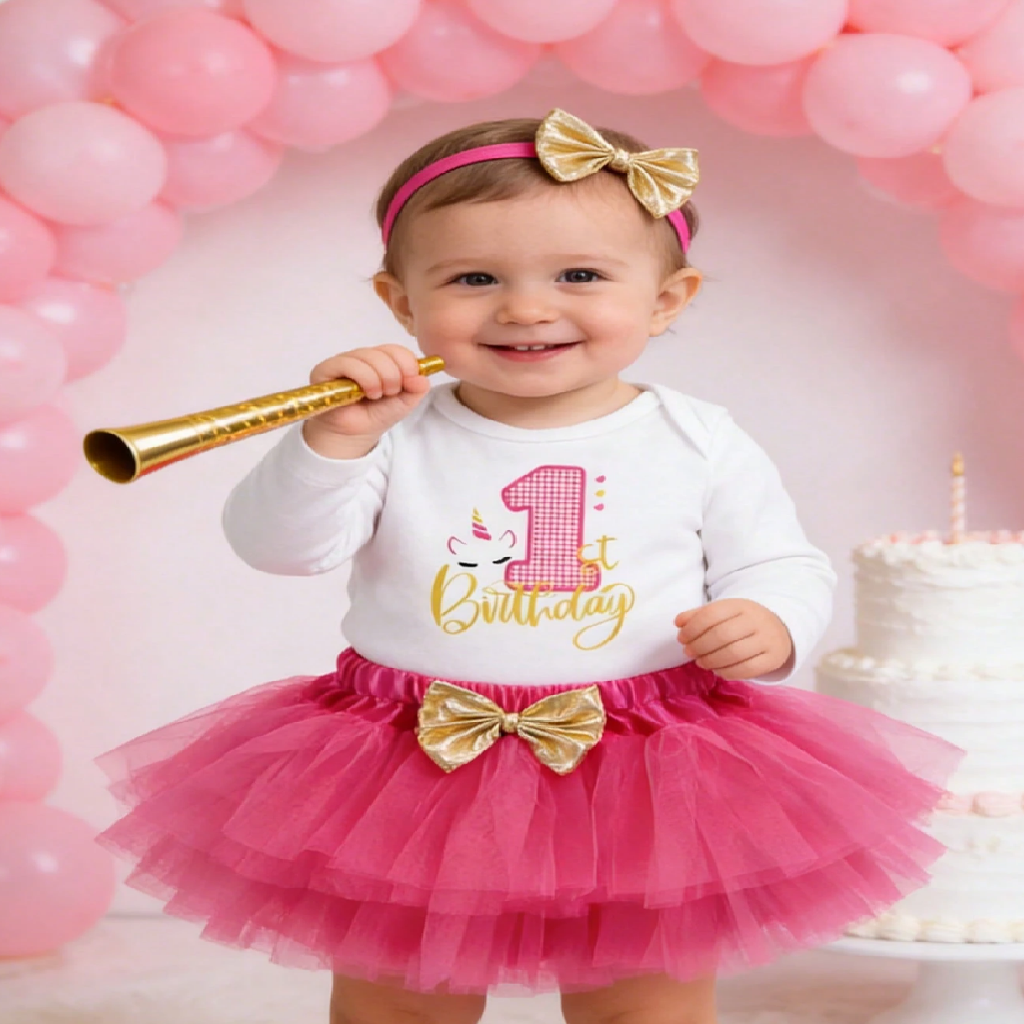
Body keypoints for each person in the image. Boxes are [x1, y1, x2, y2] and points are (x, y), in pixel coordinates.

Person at [95, 109, 961, 1024]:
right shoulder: (393, 432)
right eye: (474, 278)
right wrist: (332, 441)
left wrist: (770, 617)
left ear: (667, 300)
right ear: (401, 304)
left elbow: (782, 559)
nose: (526, 308)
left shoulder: (697, 437)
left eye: (579, 275)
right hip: (412, 751)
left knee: (644, 1001)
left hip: (645, 758)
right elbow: (279, 548)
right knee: (399, 1003)